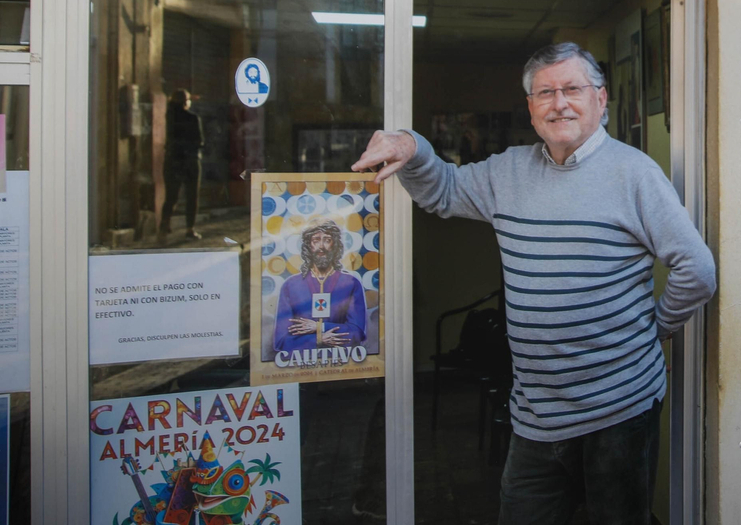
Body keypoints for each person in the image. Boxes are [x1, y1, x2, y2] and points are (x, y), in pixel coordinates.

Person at [351, 42, 716, 525]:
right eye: (545, 92)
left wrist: (656, 328)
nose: (559, 102)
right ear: (530, 107)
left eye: (572, 89)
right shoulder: (508, 171)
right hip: (536, 415)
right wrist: (412, 146)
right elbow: (442, 192)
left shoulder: (635, 174)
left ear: (601, 100)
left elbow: (697, 269)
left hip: (619, 409)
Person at [273, 219, 368, 353]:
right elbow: (281, 341)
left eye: (327, 240)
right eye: (316, 240)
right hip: (300, 367)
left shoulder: (350, 283)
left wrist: (320, 327)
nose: (321, 246)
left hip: (343, 364)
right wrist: (318, 339)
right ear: (308, 246)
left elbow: (357, 333)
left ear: (334, 245)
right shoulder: (291, 285)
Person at [161, 88, 203, 241]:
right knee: (192, 196)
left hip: (172, 160)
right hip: (190, 161)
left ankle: (163, 227)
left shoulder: (169, 117)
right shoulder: (193, 118)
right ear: (186, 102)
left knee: (170, 196)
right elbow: (199, 141)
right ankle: (190, 229)